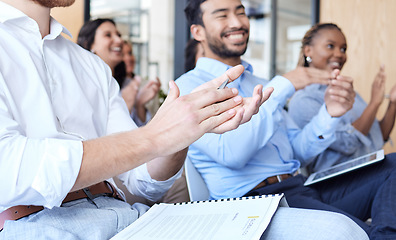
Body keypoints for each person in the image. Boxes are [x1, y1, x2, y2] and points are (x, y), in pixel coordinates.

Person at [0, 0, 275, 239]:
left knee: (298, 226)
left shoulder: (90, 64)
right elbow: (11, 170)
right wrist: (156, 135)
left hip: (127, 215)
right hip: (33, 223)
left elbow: (141, 182)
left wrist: (184, 133)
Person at [176, 0, 396, 238]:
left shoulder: (257, 81)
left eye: (241, 12)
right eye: (222, 15)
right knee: (355, 233)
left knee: (392, 165)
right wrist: (283, 85)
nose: (237, 22)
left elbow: (296, 151)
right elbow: (232, 154)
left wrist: (330, 113)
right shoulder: (189, 88)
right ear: (198, 31)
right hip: (254, 203)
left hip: (298, 187)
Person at [288, 23, 396, 173]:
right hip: (333, 183)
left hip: (367, 172)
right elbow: (349, 143)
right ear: (308, 50)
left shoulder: (347, 92)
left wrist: (393, 103)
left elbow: (378, 137)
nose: (339, 54)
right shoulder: (303, 99)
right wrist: (374, 103)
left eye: (343, 49)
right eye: (330, 46)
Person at [77, 19, 160, 126]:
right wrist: (124, 105)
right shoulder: (81, 84)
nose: (119, 40)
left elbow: (140, 133)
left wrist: (139, 104)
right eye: (108, 35)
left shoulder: (128, 84)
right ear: (89, 44)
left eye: (118, 35)